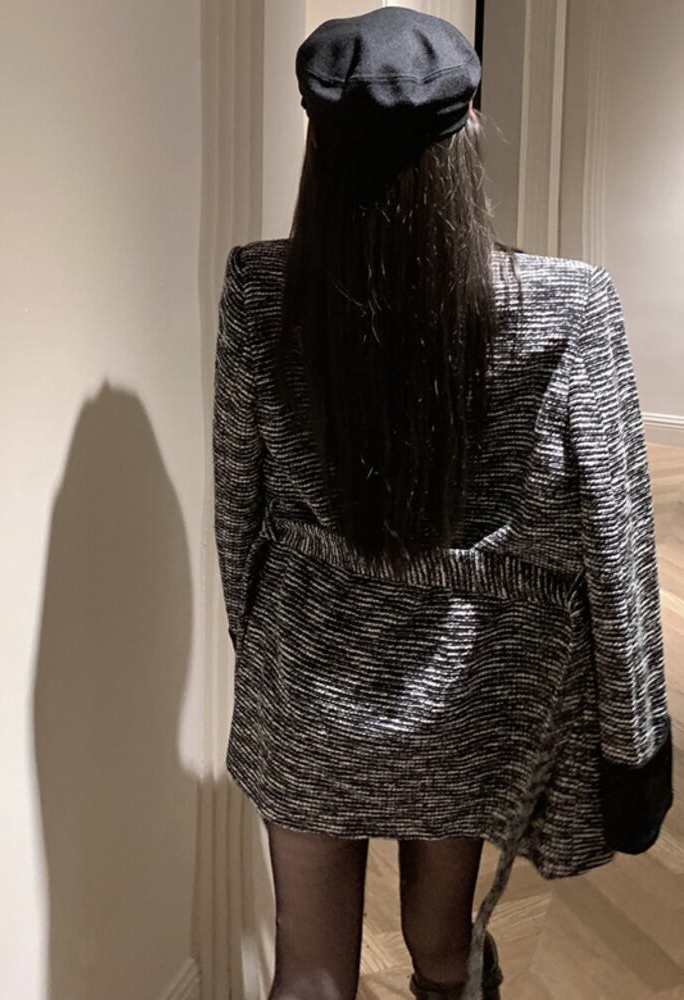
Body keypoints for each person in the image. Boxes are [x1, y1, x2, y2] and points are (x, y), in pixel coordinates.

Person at [212, 8, 674, 1000]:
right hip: (473, 675)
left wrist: (263, 648)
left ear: (316, 136)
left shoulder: (260, 289)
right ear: (467, 124)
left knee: (309, 968)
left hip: (309, 667)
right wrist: (636, 742)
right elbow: (618, 532)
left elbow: (236, 504)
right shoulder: (566, 303)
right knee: (442, 946)